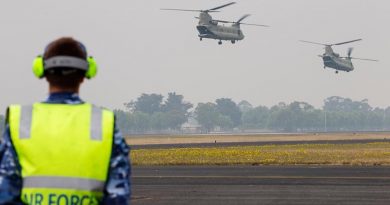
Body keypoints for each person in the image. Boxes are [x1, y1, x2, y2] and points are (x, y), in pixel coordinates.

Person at [0, 37, 131, 205]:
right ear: (86, 73)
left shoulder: (21, 121)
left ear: (41, 71)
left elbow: (5, 195)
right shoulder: (103, 123)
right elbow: (118, 197)